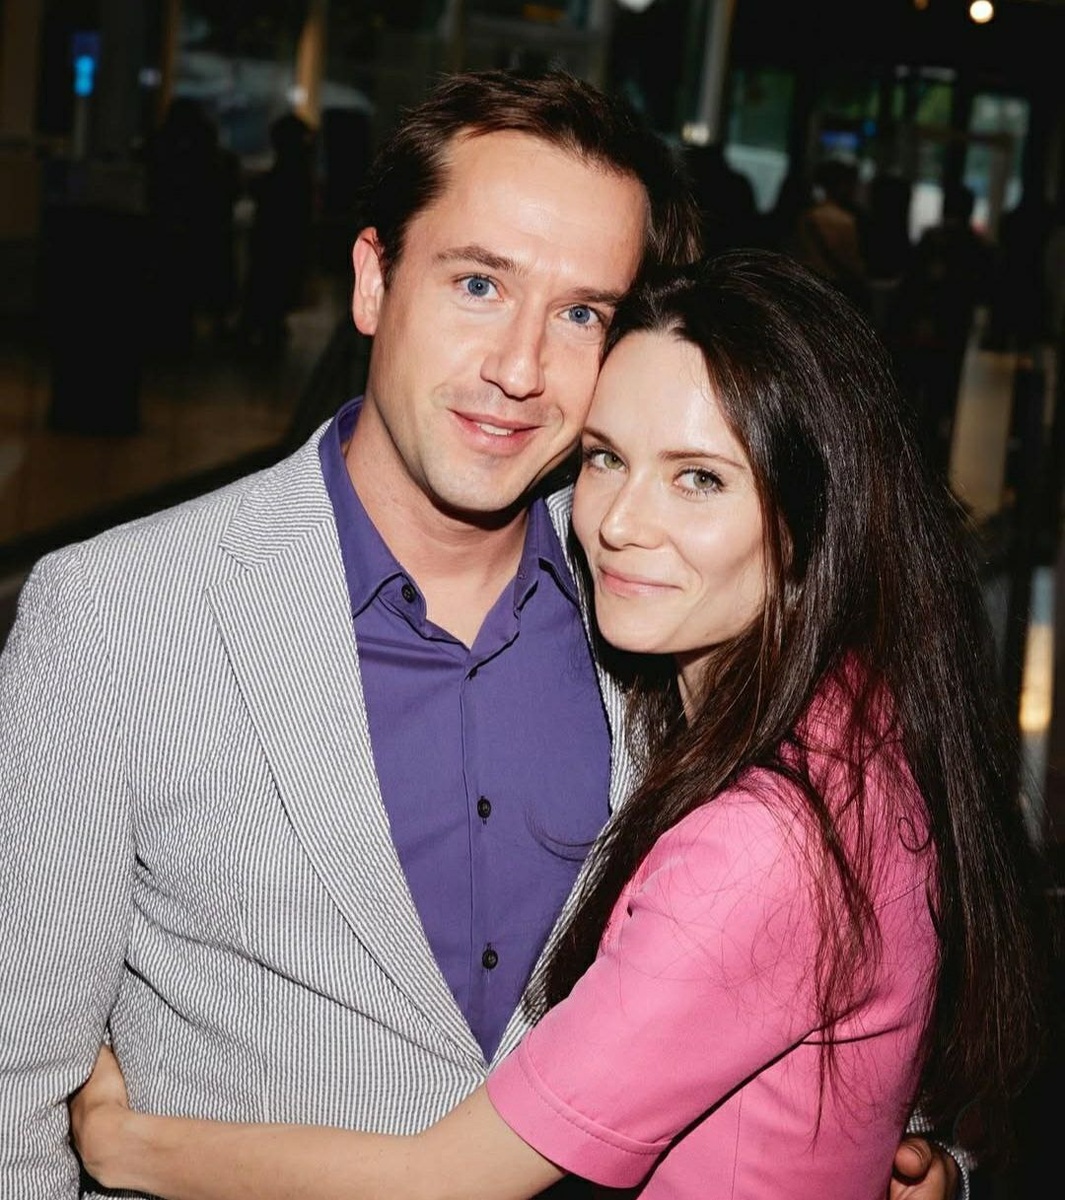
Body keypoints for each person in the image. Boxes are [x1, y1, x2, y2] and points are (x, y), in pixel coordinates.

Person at [0, 68, 959, 1199]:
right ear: (373, 279)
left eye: (581, 314)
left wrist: (905, 1149)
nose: (517, 369)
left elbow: (829, 934)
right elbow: (17, 1089)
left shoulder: (667, 597)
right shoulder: (115, 616)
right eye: (477, 284)